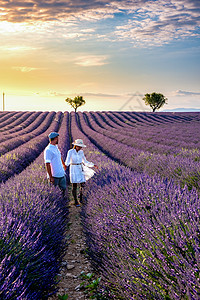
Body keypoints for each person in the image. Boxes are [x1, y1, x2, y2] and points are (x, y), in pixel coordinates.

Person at [65, 139, 98, 207]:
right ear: (75, 145)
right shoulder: (70, 152)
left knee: (82, 184)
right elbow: (67, 161)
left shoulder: (81, 152)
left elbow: (85, 161)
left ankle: (81, 198)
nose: (80, 147)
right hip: (73, 168)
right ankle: (76, 201)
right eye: (79, 146)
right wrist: (64, 166)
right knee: (74, 185)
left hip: (80, 168)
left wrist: (93, 165)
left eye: (81, 146)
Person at [44, 132, 67, 197]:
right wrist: (50, 177)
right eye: (57, 138)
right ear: (55, 138)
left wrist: (63, 164)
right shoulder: (48, 150)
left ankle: (63, 204)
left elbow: (59, 156)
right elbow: (47, 164)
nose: (58, 139)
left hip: (61, 174)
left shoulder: (56, 147)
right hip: (54, 176)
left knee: (63, 190)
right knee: (54, 193)